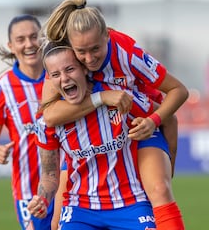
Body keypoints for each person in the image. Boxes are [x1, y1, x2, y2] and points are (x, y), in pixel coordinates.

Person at [40, 0, 188, 230]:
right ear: (71, 45)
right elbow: (49, 116)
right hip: (89, 138)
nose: (89, 59)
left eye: (96, 49)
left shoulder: (127, 53)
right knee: (59, 218)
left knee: (159, 189)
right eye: (82, 52)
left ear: (107, 35)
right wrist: (102, 97)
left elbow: (178, 93)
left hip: (138, 121)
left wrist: (153, 121)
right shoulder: (63, 60)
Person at [28, 42, 161, 229]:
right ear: (50, 79)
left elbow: (163, 114)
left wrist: (154, 129)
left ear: (83, 68)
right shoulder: (47, 122)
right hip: (80, 209)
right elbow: (50, 175)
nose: (64, 79)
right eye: (56, 75)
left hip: (131, 203)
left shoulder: (118, 97)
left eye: (70, 69)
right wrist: (42, 198)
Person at [0, 14, 57, 230]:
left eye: (34, 37)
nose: (29, 44)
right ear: (11, 46)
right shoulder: (1, 88)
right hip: (28, 192)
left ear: (43, 39)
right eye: (21, 39)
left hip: (67, 185)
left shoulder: (61, 75)